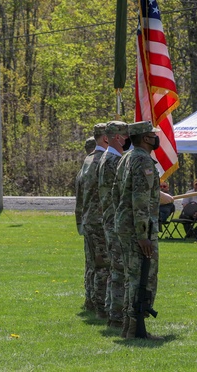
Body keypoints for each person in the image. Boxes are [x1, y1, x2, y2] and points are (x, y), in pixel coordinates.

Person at [115, 121, 162, 340]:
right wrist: (143, 235)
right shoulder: (142, 160)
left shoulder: (126, 158)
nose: (156, 138)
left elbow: (119, 195)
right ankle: (135, 329)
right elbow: (140, 200)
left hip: (126, 224)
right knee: (143, 277)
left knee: (132, 276)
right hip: (139, 228)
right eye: (153, 135)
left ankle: (129, 327)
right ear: (145, 138)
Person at [97, 121, 129, 328]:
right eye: (125, 135)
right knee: (119, 269)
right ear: (117, 137)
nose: (127, 139)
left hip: (111, 219)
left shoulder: (108, 157)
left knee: (115, 268)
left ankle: (112, 310)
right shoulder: (112, 161)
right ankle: (116, 315)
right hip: (115, 221)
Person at [75, 123, 107, 314]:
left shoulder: (87, 162)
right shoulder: (100, 161)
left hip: (89, 219)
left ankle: (91, 300)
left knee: (92, 264)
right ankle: (101, 306)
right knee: (103, 265)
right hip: (99, 220)